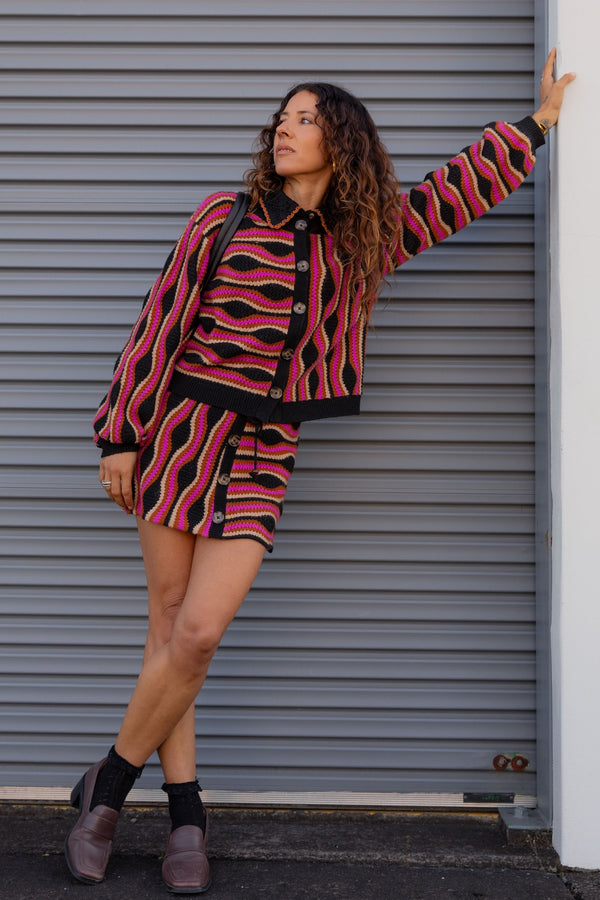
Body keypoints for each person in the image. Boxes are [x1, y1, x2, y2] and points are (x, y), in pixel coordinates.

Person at [64, 48, 575, 894]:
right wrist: (120, 434)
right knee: (168, 631)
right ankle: (186, 810)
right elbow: (159, 323)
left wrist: (535, 128)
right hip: (182, 432)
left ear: (342, 141)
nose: (285, 130)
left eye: (306, 119)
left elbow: (449, 197)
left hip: (267, 450)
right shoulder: (221, 217)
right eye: (283, 117)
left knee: (197, 635)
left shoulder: (364, 236)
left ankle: (106, 786)